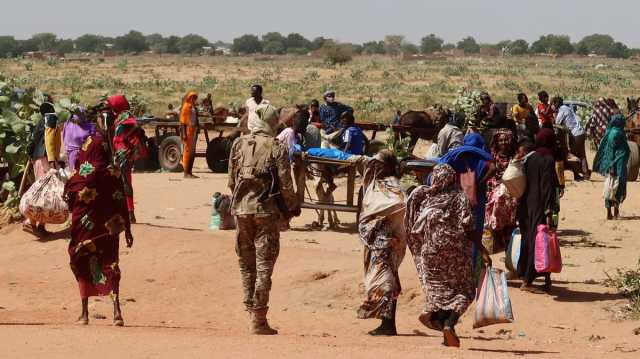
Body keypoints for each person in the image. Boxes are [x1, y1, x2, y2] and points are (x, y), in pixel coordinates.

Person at [228, 103, 300, 335]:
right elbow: (286, 185)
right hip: (265, 213)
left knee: (245, 265)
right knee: (264, 266)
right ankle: (258, 319)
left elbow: (231, 181)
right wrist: (291, 207)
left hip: (241, 211)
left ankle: (250, 310)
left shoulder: (239, 144)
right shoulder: (276, 147)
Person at [405, 164, 491, 347]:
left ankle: (437, 319)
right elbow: (468, 226)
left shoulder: (427, 200)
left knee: (439, 291)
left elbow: (416, 229)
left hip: (430, 254)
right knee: (465, 290)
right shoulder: (460, 198)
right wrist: (482, 249)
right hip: (456, 256)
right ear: (452, 179)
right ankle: (449, 324)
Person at [63, 105, 134, 326]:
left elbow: (69, 195)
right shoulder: (113, 174)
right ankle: (116, 312)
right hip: (108, 233)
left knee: (82, 260)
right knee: (110, 263)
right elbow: (124, 204)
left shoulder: (81, 178)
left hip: (85, 231)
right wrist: (128, 231)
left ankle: (84, 314)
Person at [357, 151, 406, 336]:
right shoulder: (373, 185)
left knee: (386, 282)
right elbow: (365, 210)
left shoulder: (394, 187)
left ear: (389, 166)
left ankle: (388, 324)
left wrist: (379, 224)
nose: (375, 166)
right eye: (374, 163)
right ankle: (386, 322)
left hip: (390, 242)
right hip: (374, 242)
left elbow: (400, 207)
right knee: (386, 281)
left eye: (379, 163)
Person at [517, 129, 560, 293]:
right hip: (540, 206)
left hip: (526, 205)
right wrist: (549, 211)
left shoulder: (530, 157)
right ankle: (528, 281)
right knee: (541, 241)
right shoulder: (548, 159)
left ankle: (541, 278)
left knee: (531, 240)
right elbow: (547, 187)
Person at [107, 95, 148, 224]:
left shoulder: (125, 115)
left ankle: (129, 212)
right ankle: (127, 211)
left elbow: (136, 126)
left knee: (124, 181)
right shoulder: (120, 116)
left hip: (124, 153)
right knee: (123, 181)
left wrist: (126, 138)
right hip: (121, 153)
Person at [23, 102, 62, 236]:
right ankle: (31, 222)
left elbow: (33, 141)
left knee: (43, 192)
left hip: (37, 159)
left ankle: (40, 226)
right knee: (44, 193)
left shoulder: (40, 122)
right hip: (46, 159)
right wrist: (52, 160)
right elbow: (50, 139)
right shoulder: (51, 119)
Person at [485, 129, 518, 252]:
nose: (503, 142)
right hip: (495, 188)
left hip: (511, 188)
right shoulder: (493, 155)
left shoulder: (514, 155)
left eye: (506, 140)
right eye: (501, 140)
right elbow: (491, 173)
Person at [593, 114, 630, 220]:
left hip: (618, 164)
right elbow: (612, 152)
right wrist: (612, 166)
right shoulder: (615, 133)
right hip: (616, 165)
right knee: (615, 187)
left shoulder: (615, 131)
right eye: (622, 121)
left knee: (612, 187)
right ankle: (615, 212)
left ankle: (610, 212)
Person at [552, 96, 590, 181]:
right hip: (581, 132)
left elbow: (557, 122)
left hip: (575, 134)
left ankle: (577, 174)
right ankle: (585, 173)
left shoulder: (562, 110)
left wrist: (554, 116)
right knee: (582, 154)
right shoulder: (568, 108)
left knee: (571, 155)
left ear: (556, 103)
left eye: (553, 104)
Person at [63, 107, 96, 171]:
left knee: (85, 173)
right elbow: (64, 138)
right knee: (74, 174)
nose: (77, 117)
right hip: (72, 155)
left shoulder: (90, 127)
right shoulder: (68, 124)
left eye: (80, 114)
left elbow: (93, 142)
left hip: (85, 154)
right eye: (76, 115)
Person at [180, 91, 200, 179]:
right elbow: (183, 122)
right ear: (189, 98)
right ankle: (186, 173)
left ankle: (190, 172)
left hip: (193, 130)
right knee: (187, 152)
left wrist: (198, 127)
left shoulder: (193, 107)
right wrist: (184, 134)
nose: (194, 99)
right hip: (188, 131)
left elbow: (196, 118)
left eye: (195, 98)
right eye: (192, 97)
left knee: (192, 152)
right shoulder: (185, 107)